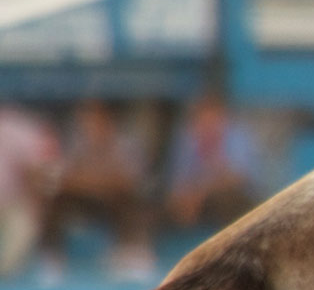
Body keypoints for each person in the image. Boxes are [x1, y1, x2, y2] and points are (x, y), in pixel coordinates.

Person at [40, 100, 154, 279]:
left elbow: (128, 181)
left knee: (129, 200)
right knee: (57, 200)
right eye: (87, 122)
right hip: (86, 199)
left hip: (114, 201)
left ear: (108, 121)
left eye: (96, 121)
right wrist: (95, 182)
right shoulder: (78, 145)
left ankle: (132, 252)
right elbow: (65, 179)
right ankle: (52, 256)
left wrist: (90, 181)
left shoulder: (126, 144)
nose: (91, 127)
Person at [162, 98, 265, 230]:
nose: (207, 126)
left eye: (212, 120)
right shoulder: (187, 139)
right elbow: (177, 182)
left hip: (239, 199)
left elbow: (237, 179)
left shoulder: (238, 136)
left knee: (228, 198)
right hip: (196, 202)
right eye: (202, 120)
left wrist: (201, 193)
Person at [0, 104, 59, 280]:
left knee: (11, 260)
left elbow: (37, 174)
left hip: (13, 204)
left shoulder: (16, 127)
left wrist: (36, 206)